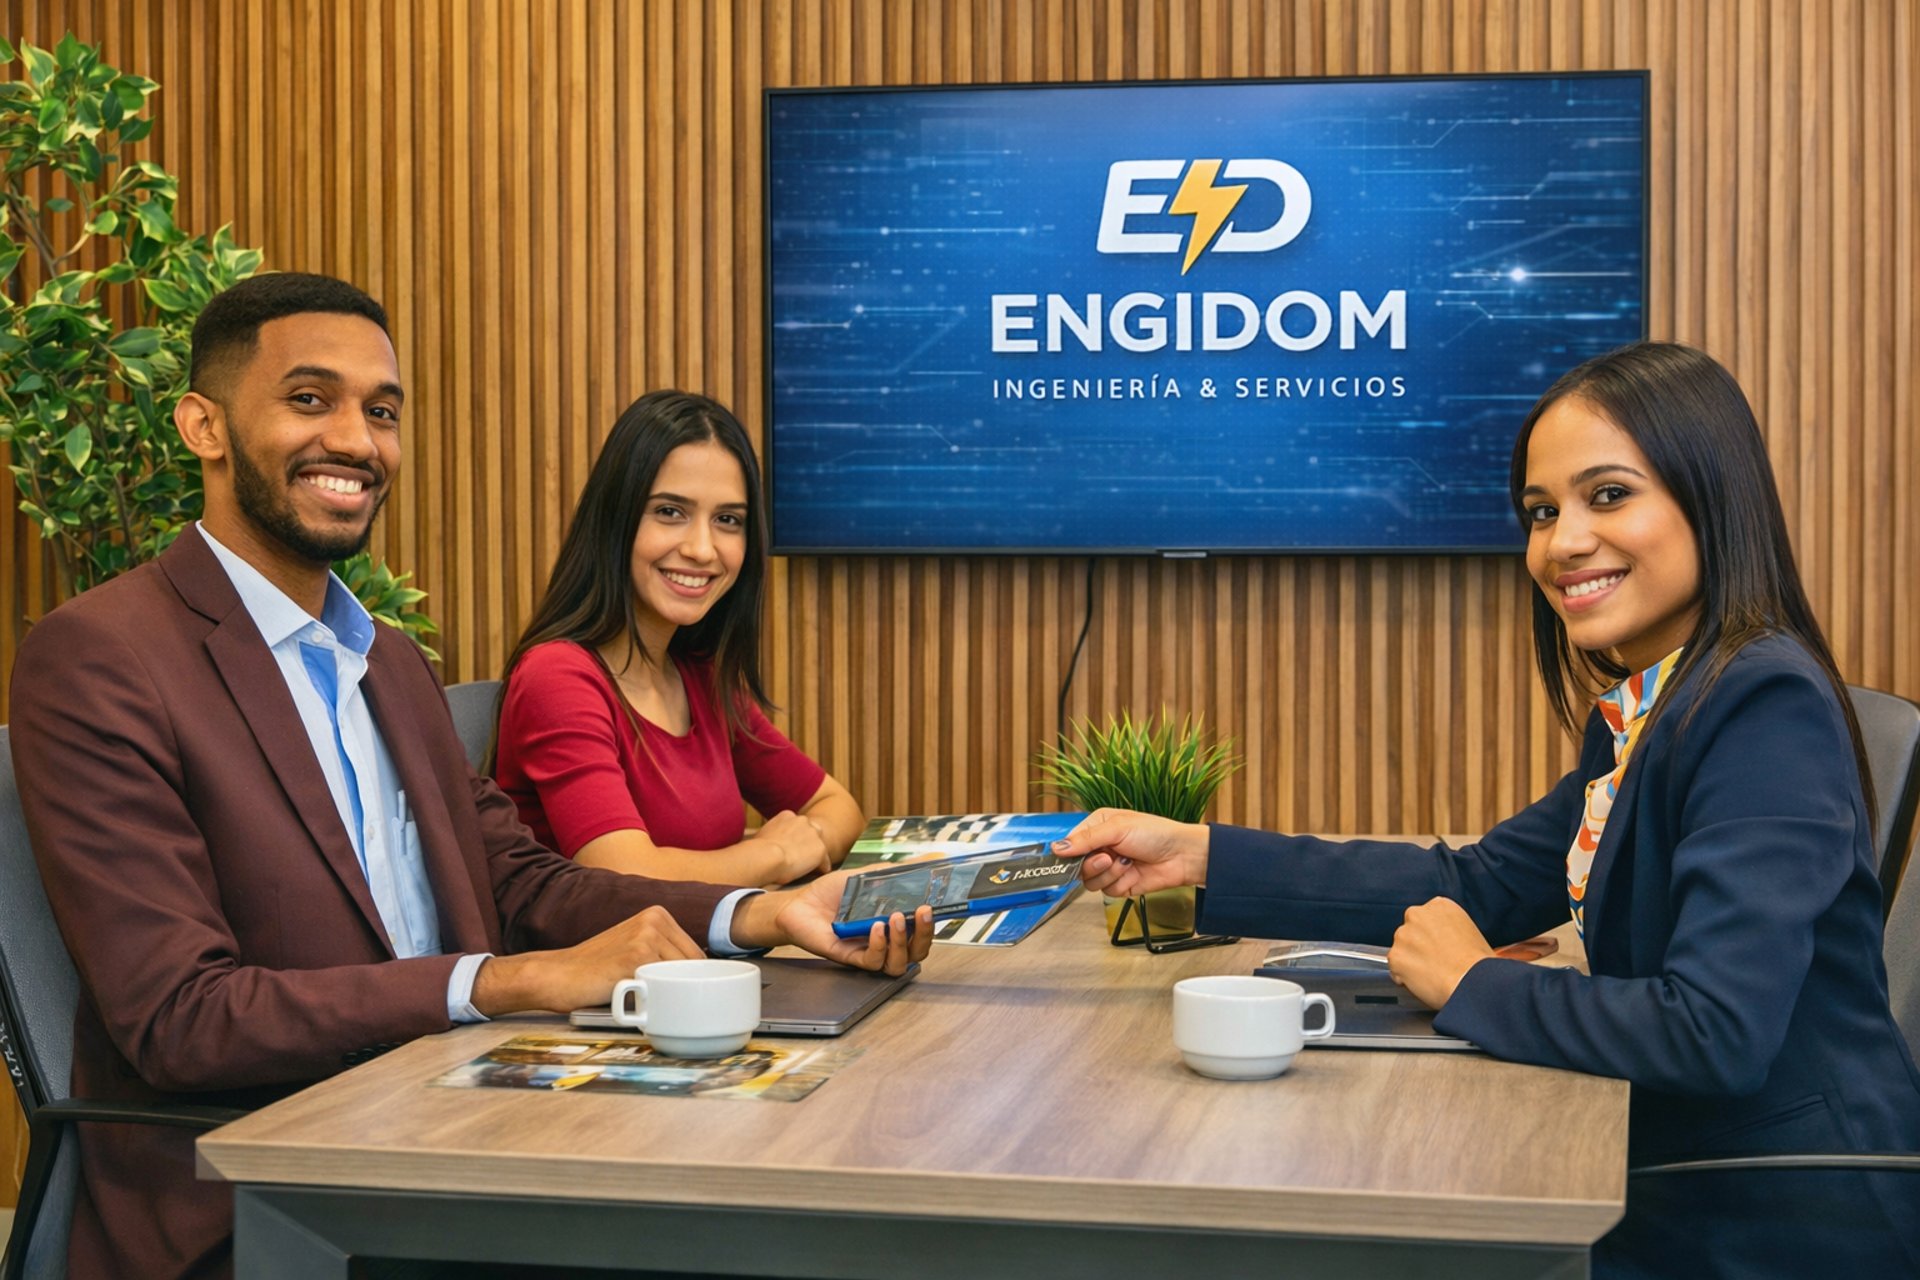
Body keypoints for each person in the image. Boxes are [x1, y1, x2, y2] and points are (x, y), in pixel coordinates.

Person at [8, 273, 932, 1280]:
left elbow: (526, 881)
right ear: (204, 425)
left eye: (383, 410)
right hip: (270, 1201)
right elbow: (180, 1017)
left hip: (457, 1127)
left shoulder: (390, 661)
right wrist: (501, 981)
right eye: (309, 399)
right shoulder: (102, 655)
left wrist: (762, 913)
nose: (357, 440)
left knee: (826, 1195)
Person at [1052, 342, 1920, 1278]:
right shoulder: (1658, 701)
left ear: (1710, 498)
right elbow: (1480, 881)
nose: (1562, 543)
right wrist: (1200, 855)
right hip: (1684, 1162)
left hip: (1771, 1212)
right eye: (1542, 513)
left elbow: (1714, 1030)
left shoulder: (1758, 703)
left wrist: (1475, 983)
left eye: (1609, 496)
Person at [490, 390, 863, 888]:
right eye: (670, 512)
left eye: (728, 520)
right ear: (616, 519)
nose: (702, 548)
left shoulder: (700, 676)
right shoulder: (556, 677)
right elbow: (626, 877)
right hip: (607, 964)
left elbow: (838, 809)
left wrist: (795, 843)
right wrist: (772, 855)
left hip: (705, 959)